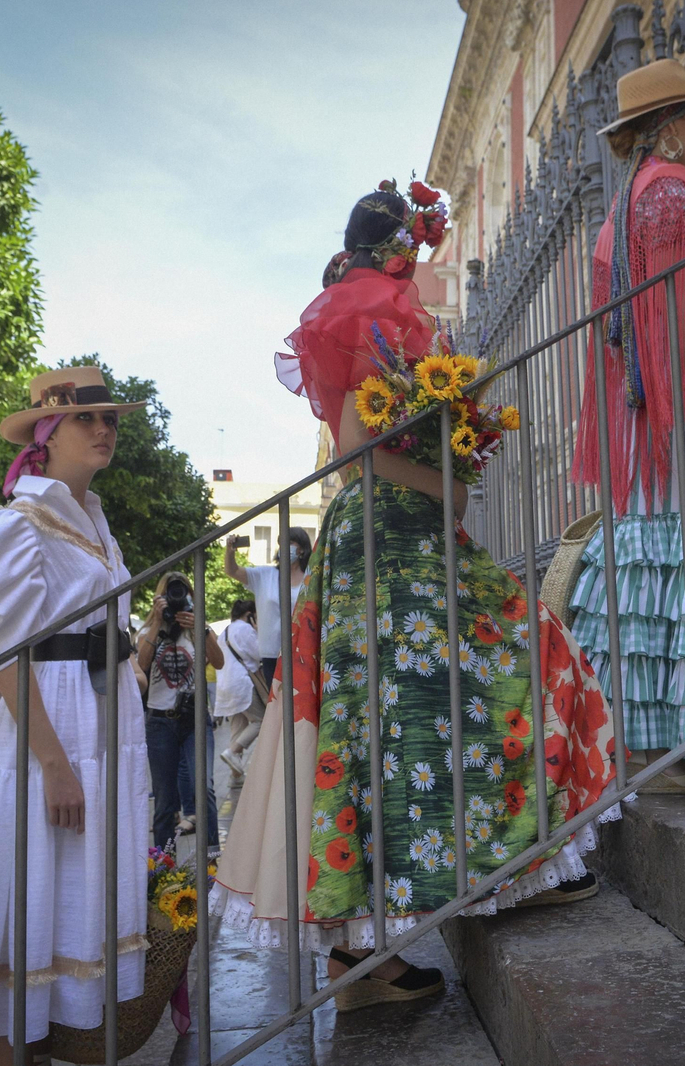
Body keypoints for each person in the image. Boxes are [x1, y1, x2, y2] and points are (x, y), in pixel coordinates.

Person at [213, 183, 620, 1012]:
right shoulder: (379, 307)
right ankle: (492, 873)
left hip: (382, 538)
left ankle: (403, 926)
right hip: (397, 536)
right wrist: (449, 485)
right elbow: (357, 444)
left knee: (391, 724)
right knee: (463, 687)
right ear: (403, 242)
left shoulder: (353, 304)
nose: (422, 260)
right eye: (417, 242)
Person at [0, 365, 149, 1063]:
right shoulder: (21, 527)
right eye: (88, 418)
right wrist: (53, 763)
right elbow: (5, 658)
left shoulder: (93, 522)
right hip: (52, 724)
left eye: (110, 419)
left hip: (102, 718)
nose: (105, 429)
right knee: (24, 891)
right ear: (47, 432)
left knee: (66, 897)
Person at [570, 59, 685, 794]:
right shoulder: (671, 192)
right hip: (671, 412)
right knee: (679, 564)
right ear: (670, 128)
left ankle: (637, 746)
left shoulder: (624, 204)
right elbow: (676, 310)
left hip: (638, 418)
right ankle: (673, 748)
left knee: (642, 574)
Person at [136, 571, 223, 850]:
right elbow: (142, 665)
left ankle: (210, 860)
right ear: (159, 597)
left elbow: (219, 662)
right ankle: (164, 866)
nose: (176, 597)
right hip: (160, 723)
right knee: (164, 800)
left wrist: (201, 628)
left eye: (182, 591)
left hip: (195, 719)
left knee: (203, 788)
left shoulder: (198, 628)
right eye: (170, 592)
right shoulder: (147, 632)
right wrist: (157, 623)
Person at [224, 526, 309, 683]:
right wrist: (230, 550)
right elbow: (232, 571)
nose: (284, 547)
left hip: (303, 651)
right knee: (277, 698)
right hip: (272, 653)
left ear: (302, 549)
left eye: (290, 543)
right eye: (281, 543)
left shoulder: (311, 579)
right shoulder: (264, 575)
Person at [214, 598, 265, 791]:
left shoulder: (225, 632)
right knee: (260, 720)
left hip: (225, 686)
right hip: (242, 683)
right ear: (250, 615)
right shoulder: (245, 630)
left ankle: (235, 777)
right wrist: (258, 631)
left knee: (238, 728)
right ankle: (234, 751)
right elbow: (259, 654)